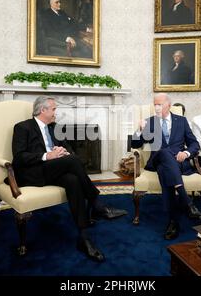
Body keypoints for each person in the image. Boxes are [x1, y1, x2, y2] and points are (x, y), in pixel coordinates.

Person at [11, 96, 127, 262]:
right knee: (73, 162)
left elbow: (70, 150)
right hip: (33, 172)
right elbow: (19, 157)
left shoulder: (55, 128)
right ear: (43, 110)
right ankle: (96, 203)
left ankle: (83, 237)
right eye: (53, 109)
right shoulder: (23, 127)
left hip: (55, 169)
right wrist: (47, 155)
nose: (56, 113)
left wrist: (64, 153)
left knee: (73, 180)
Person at [131, 93, 201, 240]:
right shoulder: (149, 122)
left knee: (166, 172)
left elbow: (194, 144)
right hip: (157, 159)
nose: (157, 107)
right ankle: (187, 202)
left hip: (176, 163)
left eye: (160, 104)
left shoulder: (182, 121)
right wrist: (139, 130)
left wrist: (186, 153)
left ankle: (173, 222)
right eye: (155, 104)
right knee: (163, 152)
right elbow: (135, 144)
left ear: (168, 105)